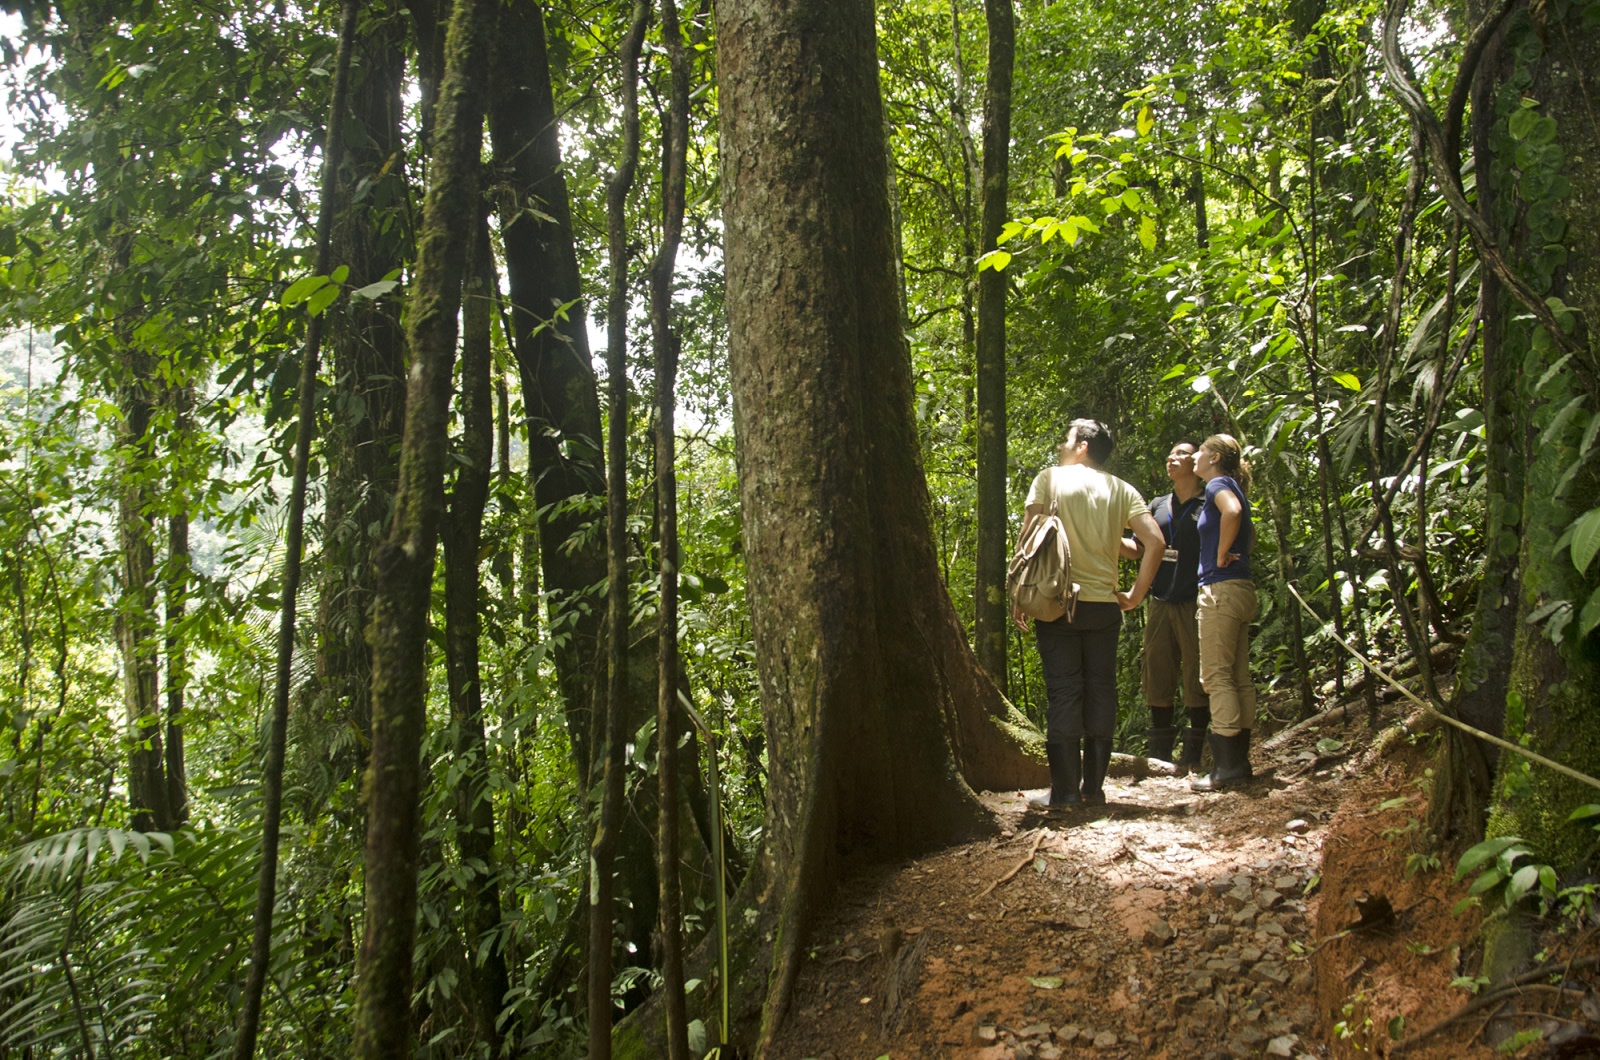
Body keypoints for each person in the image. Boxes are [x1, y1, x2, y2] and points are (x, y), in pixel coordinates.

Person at [1013, 419, 1166, 810]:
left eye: (1066, 437)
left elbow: (1029, 537)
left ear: (1081, 445)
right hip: (1104, 606)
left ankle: (1064, 793)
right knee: (1100, 689)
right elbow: (1154, 542)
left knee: (1065, 691)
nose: (1061, 444)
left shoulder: (1051, 479)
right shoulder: (1121, 490)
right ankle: (1093, 791)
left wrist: (1018, 591)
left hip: (1057, 601)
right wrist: (1134, 594)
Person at [1190, 433, 1258, 792]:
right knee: (1238, 676)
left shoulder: (1218, 484)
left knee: (1216, 677)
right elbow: (1251, 531)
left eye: (1200, 450)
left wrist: (1219, 555)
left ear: (1214, 457)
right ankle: (1238, 761)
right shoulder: (1232, 483)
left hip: (1221, 589)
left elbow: (1232, 512)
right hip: (1241, 587)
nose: (1195, 456)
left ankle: (1227, 766)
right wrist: (1235, 553)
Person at [1136, 442, 1209, 772]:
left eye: (1180, 454)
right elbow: (1140, 549)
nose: (1171, 458)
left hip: (1195, 600)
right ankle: (1160, 756)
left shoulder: (1209, 502)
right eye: (1169, 454)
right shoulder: (1157, 505)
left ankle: (1194, 754)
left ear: (1196, 461)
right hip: (1160, 600)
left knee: (1197, 672)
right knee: (1158, 671)